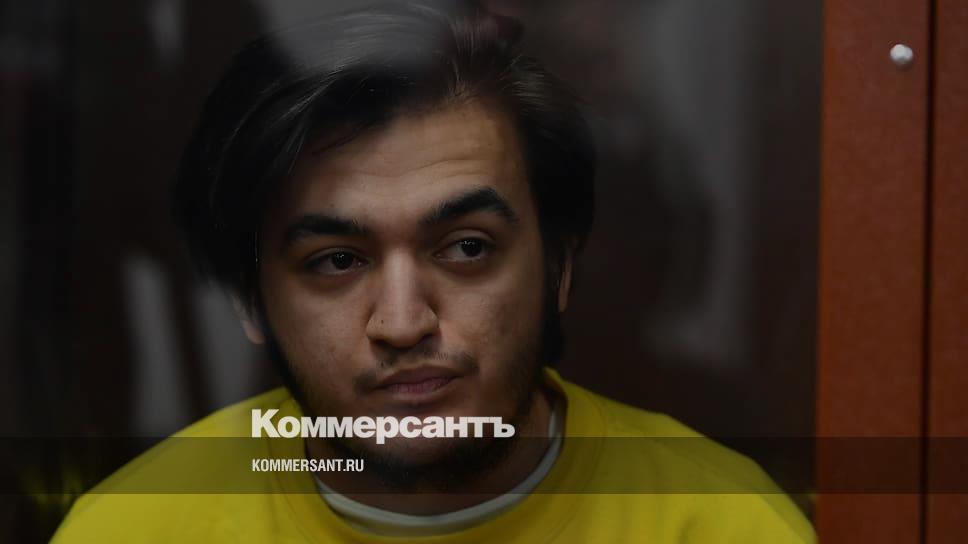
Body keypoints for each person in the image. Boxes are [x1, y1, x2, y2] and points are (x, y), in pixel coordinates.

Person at [54, 1, 814, 542]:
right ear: (252, 301)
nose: (402, 322)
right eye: (337, 261)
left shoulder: (720, 524)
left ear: (559, 267)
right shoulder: (133, 529)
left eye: (467, 248)